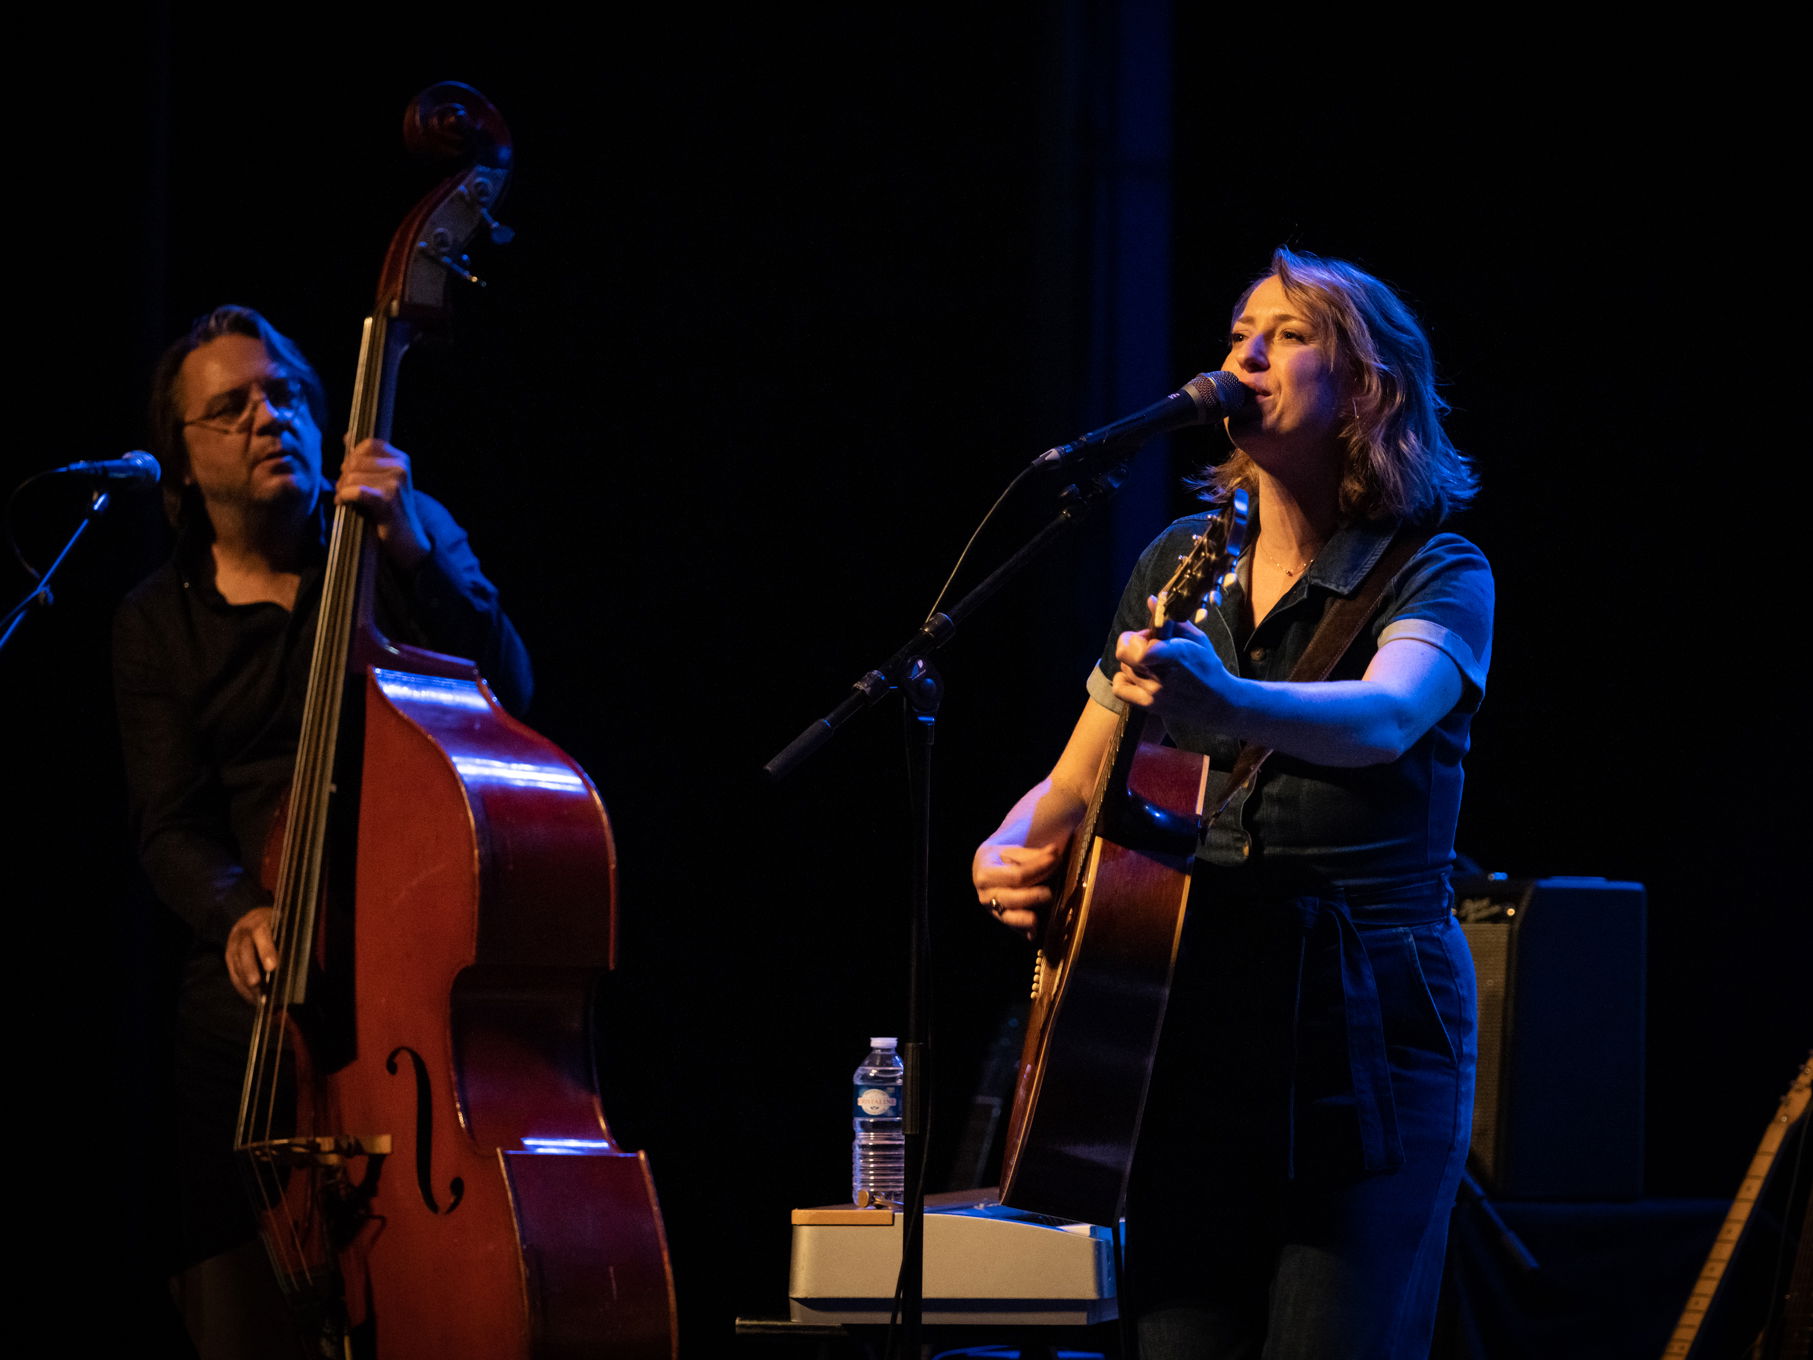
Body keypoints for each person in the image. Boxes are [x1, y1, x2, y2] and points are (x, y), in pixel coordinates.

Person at [973, 248, 1490, 1358]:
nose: (1245, 354)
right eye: (1238, 331)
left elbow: (1387, 717)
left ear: (1368, 386)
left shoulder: (1437, 567)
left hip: (1374, 1022)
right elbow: (1072, 782)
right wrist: (1009, 844)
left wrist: (1226, 696)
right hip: (1192, 1020)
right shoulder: (1179, 565)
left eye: (1290, 333)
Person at [114, 305, 531, 1356]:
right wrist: (239, 909)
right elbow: (168, 824)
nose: (270, 419)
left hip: (403, 978)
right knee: (236, 1312)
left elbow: (510, 693)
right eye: (232, 407)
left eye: (286, 394)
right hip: (247, 1009)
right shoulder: (156, 621)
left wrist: (407, 550)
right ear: (183, 455)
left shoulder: (401, 530)